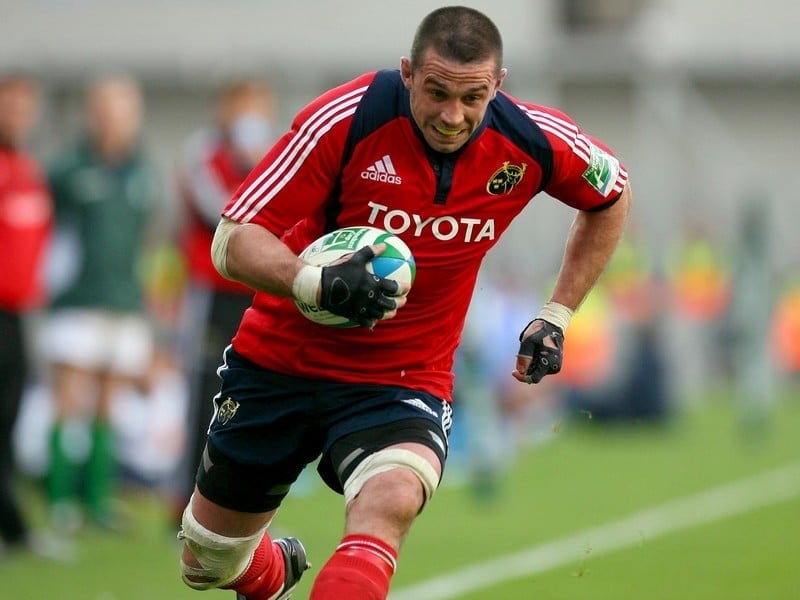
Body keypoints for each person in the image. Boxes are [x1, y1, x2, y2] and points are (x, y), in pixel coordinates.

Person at [177, 6, 631, 600]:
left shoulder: (532, 140)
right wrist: (309, 280)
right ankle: (269, 574)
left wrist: (557, 314)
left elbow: (611, 193)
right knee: (207, 562)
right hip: (279, 362)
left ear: (498, 85)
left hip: (402, 376)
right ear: (408, 73)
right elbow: (232, 239)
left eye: (473, 98)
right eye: (437, 92)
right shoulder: (345, 120)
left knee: (391, 500)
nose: (453, 116)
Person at [40, 75, 162, 533]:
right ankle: (59, 500)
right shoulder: (68, 170)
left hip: (125, 300)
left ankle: (97, 500)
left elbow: (149, 241)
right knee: (68, 398)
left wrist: (152, 301)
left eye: (123, 111)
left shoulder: (142, 171)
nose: (115, 121)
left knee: (111, 402)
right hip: (78, 298)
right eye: (106, 110)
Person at [171, 80, 276, 521]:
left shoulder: (273, 151)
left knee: (252, 390)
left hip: (255, 290)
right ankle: (187, 496)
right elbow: (226, 210)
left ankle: (236, 500)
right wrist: (246, 167)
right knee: (205, 389)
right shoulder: (204, 152)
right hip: (212, 288)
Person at [0, 74, 54, 556]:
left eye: (24, 107)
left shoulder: (28, 169)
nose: (18, 115)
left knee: (9, 420)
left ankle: (12, 526)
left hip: (16, 315)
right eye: (9, 106)